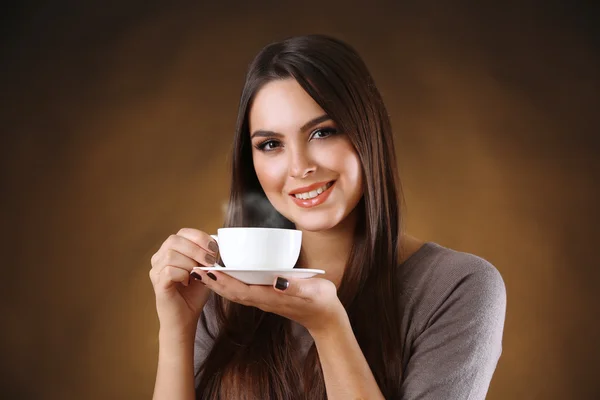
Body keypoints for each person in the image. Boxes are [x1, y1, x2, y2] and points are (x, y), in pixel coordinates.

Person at [149, 34, 506, 400]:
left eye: (323, 132)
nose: (300, 167)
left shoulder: (456, 286)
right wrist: (177, 329)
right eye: (271, 144)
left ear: (367, 134)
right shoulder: (221, 286)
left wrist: (329, 328)